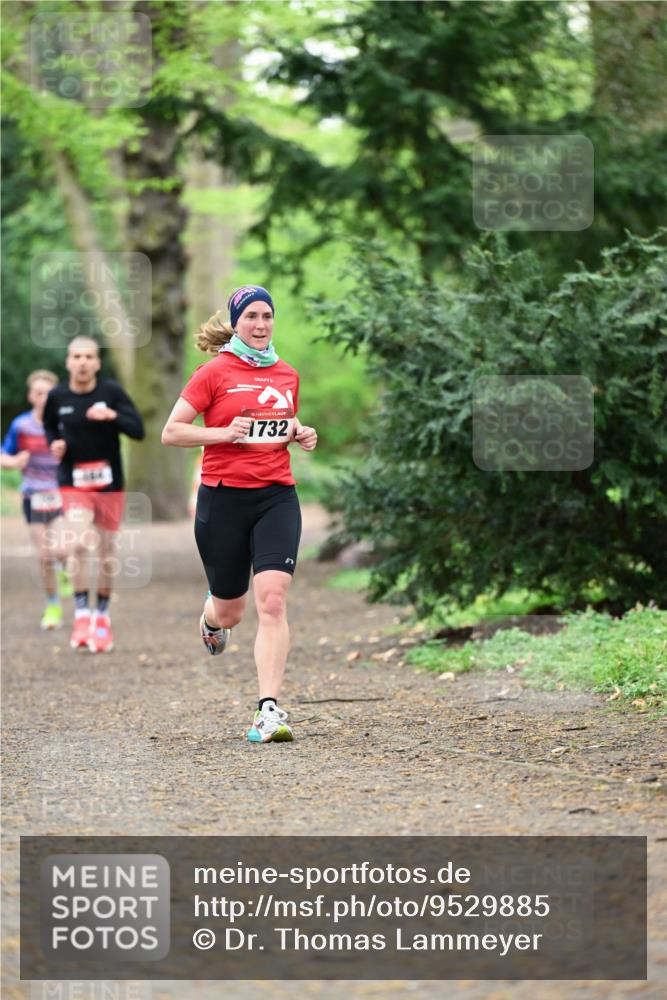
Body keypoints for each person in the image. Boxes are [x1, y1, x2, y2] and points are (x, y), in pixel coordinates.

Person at [162, 285, 317, 744]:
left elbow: (279, 426)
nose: (261, 324)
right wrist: (225, 433)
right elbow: (172, 432)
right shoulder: (213, 373)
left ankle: (268, 710)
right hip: (223, 499)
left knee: (273, 599)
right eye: (251, 316)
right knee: (232, 611)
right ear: (237, 322)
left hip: (276, 497)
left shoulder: (287, 374)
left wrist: (298, 433)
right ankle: (211, 619)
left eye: (268, 316)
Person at [43, 336, 145, 653]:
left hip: (109, 484)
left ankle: (101, 616)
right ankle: (81, 613)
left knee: (105, 554)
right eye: (77, 356)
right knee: (75, 544)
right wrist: (55, 443)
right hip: (73, 483)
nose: (83, 362)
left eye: (89, 357)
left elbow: (138, 430)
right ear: (68, 362)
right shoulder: (57, 396)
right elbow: (49, 426)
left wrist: (113, 416)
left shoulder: (111, 393)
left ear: (98, 363)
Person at [1, 370, 71, 630]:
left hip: (61, 494)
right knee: (44, 556)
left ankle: (65, 572)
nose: (43, 398)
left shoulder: (64, 425)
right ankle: (52, 605)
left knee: (62, 550)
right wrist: (13, 462)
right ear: (31, 396)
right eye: (38, 393)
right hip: (34, 496)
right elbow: (3, 455)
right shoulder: (21, 425)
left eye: (48, 393)